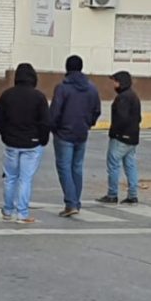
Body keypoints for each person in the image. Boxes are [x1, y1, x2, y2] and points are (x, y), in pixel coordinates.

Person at [0, 63, 50, 225]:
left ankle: (7, 210)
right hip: (32, 144)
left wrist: (5, 135)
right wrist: (42, 139)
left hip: (11, 142)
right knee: (25, 179)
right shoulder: (39, 97)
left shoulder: (7, 95)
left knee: (10, 178)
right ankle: (22, 213)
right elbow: (45, 122)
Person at [50, 55, 102, 218]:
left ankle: (71, 203)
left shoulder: (62, 88)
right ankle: (75, 203)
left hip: (64, 133)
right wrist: (88, 124)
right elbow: (97, 110)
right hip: (82, 133)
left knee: (64, 168)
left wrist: (53, 128)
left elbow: (55, 112)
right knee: (77, 168)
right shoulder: (92, 88)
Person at [97, 71, 141, 205]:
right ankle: (133, 195)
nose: (114, 85)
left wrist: (114, 133)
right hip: (132, 137)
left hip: (121, 137)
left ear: (121, 83)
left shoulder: (123, 98)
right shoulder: (133, 96)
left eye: (115, 82)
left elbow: (121, 119)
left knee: (113, 165)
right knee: (130, 165)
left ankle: (112, 194)